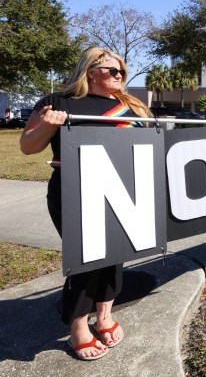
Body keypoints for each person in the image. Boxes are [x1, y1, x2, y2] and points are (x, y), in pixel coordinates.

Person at [20, 47, 152, 361]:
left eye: (122, 71)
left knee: (116, 254)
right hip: (73, 189)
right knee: (87, 257)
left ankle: (104, 314)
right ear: (90, 70)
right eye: (113, 70)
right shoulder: (57, 102)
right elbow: (28, 146)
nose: (120, 76)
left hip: (124, 191)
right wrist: (51, 125)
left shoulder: (130, 106)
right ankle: (78, 324)